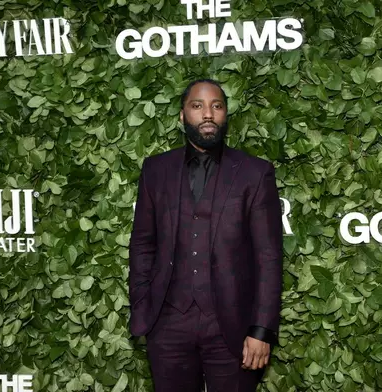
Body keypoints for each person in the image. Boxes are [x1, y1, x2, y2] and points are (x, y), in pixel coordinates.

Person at [128, 78, 284, 392]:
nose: (208, 114)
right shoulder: (156, 170)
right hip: (168, 323)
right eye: (197, 106)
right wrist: (145, 308)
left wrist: (261, 330)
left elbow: (268, 257)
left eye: (217, 106)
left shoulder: (255, 172)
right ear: (183, 116)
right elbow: (143, 244)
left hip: (234, 327)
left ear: (226, 115)